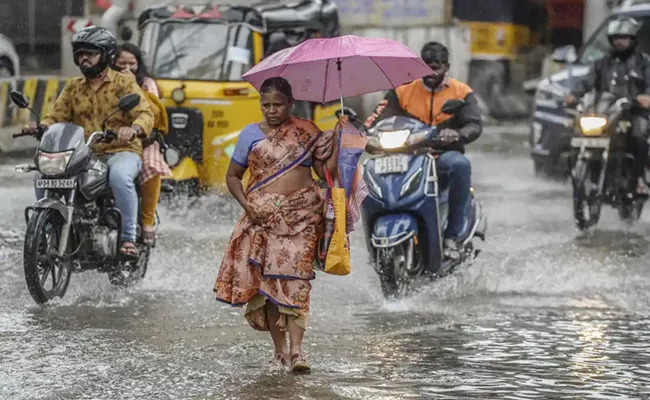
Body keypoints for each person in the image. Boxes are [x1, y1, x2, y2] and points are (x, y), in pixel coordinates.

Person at [213, 77, 338, 373]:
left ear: (290, 104)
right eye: (265, 104)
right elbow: (233, 176)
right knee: (268, 285)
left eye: (278, 104)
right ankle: (279, 352)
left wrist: (341, 143)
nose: (271, 110)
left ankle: (297, 353)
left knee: (297, 283)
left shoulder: (307, 132)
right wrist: (248, 206)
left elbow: (324, 173)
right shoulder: (249, 135)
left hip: (302, 217)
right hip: (262, 220)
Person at [25, 26, 154, 257]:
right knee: (42, 175)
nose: (84, 59)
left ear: (106, 55)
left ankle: (128, 238)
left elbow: (145, 113)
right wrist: (42, 126)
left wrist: (133, 129)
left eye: (91, 53)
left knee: (119, 177)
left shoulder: (124, 83)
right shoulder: (74, 86)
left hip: (121, 149)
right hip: (84, 153)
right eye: (80, 54)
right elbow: (57, 115)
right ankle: (47, 229)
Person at [364, 41, 483, 261]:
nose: (430, 72)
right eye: (426, 66)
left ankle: (452, 236)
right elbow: (376, 117)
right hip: (407, 155)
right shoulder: (401, 90)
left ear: (446, 66)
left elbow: (474, 124)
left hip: (441, 155)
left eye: (436, 67)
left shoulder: (461, 92)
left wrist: (457, 134)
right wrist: (358, 130)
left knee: (460, 165)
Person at [564, 16, 650, 194]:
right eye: (616, 38)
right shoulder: (602, 63)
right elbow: (586, 82)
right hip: (605, 111)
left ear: (633, 39)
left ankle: (639, 178)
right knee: (575, 130)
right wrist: (574, 95)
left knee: (640, 135)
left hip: (633, 112)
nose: (620, 42)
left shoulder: (644, 63)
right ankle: (583, 174)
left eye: (624, 38)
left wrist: (646, 97)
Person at [114, 43, 172, 246]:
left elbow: (152, 115)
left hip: (144, 140)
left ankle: (147, 222)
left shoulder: (147, 84)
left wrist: (132, 86)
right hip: (110, 138)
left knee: (151, 165)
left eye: (132, 63)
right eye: (122, 63)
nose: (127, 68)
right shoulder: (105, 81)